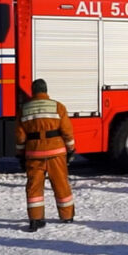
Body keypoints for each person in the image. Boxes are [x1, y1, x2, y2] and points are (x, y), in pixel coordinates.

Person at [15, 78, 76, 231]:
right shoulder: (58, 107)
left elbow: (20, 136)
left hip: (34, 152)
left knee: (34, 187)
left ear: (33, 91)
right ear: (46, 90)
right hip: (56, 152)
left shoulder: (24, 109)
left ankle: (36, 219)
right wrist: (71, 149)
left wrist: (21, 153)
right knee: (61, 183)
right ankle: (67, 216)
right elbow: (67, 131)